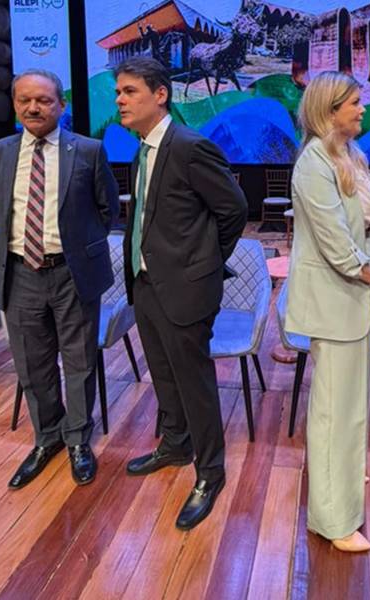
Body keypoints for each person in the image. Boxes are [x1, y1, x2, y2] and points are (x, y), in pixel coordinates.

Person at [115, 56, 247, 530]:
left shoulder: (191, 147)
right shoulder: (141, 151)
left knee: (195, 383)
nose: (120, 100)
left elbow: (234, 209)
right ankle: (175, 444)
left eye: (129, 91)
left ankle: (210, 472)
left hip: (186, 288)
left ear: (160, 94)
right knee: (164, 375)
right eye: (118, 92)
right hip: (146, 283)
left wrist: (202, 264)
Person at [0, 69, 119, 489]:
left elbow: (107, 209)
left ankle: (77, 439)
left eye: (43, 100)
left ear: (62, 104)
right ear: (14, 105)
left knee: (79, 361)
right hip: (20, 273)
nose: (33, 108)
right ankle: (47, 438)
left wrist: (76, 247)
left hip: (72, 273)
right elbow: (2, 209)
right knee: (32, 364)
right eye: (24, 100)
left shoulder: (89, 151)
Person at [285, 71, 370, 553]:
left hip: (355, 298)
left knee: (351, 409)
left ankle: (342, 485)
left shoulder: (351, 156)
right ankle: (332, 521)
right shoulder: (314, 164)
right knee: (334, 413)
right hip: (334, 302)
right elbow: (336, 243)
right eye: (354, 102)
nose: (363, 109)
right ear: (329, 111)